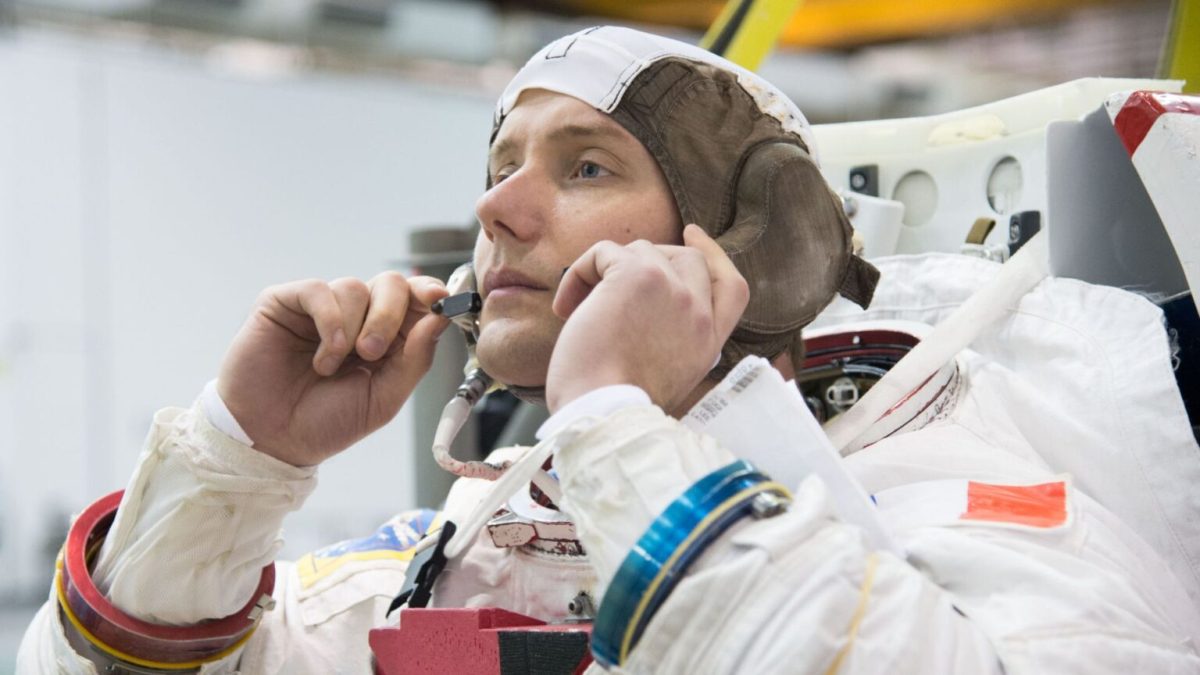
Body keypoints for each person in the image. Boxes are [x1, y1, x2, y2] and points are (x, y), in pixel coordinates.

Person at [19, 26, 1200, 674]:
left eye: (585, 168)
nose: (499, 213)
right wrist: (236, 465)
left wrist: (617, 421)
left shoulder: (964, 474)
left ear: (759, 244)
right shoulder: (486, 528)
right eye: (500, 170)